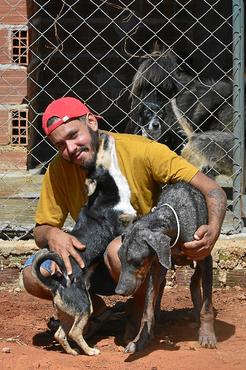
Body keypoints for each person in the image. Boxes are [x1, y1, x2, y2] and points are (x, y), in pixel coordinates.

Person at [22, 96, 227, 328]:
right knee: (33, 274)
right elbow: (41, 230)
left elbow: (213, 190)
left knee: (117, 250)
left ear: (91, 122)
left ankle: (140, 308)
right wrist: (52, 235)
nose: (70, 149)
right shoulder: (59, 169)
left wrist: (212, 232)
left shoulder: (141, 150)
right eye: (60, 145)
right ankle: (95, 310)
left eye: (73, 135)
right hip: (88, 254)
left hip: (135, 258)